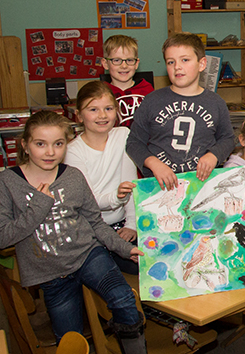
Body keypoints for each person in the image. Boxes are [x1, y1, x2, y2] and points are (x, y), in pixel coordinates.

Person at [0, 111, 146, 352]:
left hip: (88, 256)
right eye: (40, 144)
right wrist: (38, 205)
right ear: (25, 146)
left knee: (124, 299)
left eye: (58, 144)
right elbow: (4, 236)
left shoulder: (73, 177)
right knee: (70, 340)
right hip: (50, 272)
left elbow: (96, 223)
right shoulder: (8, 181)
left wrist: (124, 248)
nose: (50, 152)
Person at [125, 33, 234, 190]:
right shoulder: (152, 101)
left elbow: (228, 138)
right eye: (171, 62)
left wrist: (213, 155)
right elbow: (134, 143)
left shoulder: (216, 102)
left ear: (202, 64)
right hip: (159, 186)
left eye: (185, 60)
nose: (177, 67)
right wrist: (154, 164)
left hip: (201, 185)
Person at [65, 81, 139, 274]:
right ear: (79, 115)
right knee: (111, 272)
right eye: (93, 109)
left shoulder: (123, 135)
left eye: (108, 108)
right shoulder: (73, 152)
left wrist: (131, 225)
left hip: (121, 224)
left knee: (148, 261)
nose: (102, 115)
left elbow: (132, 185)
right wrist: (117, 196)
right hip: (91, 232)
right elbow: (88, 202)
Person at [101, 35, 153, 128]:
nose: (124, 66)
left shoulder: (147, 90)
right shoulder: (101, 92)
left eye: (129, 60)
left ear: (136, 63)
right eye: (116, 60)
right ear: (105, 64)